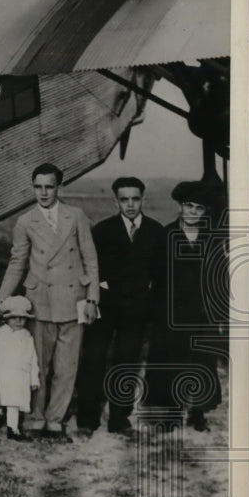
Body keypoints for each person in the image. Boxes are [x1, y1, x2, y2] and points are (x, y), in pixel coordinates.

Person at [0, 163, 99, 442]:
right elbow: (17, 262)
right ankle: (35, 418)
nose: (43, 192)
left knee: (66, 367)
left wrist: (92, 298)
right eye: (38, 187)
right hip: (40, 300)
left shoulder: (76, 216)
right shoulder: (26, 221)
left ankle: (55, 419)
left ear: (59, 187)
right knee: (37, 365)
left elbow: (90, 258)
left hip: (72, 298)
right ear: (33, 188)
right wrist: (2, 298)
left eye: (49, 186)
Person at [75, 176, 163, 437]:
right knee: (93, 359)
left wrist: (151, 304)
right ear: (116, 201)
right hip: (105, 303)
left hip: (137, 308)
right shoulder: (103, 230)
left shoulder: (155, 231)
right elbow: (89, 267)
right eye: (124, 199)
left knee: (127, 361)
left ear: (143, 199)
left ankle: (119, 420)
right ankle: (87, 420)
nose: (130, 204)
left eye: (135, 198)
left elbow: (159, 274)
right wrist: (92, 299)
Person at [143, 180, 227, 431]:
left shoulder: (212, 239)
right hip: (171, 313)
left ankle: (198, 412)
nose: (192, 212)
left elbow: (220, 276)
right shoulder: (165, 235)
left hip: (202, 314)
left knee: (202, 362)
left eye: (198, 208)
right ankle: (170, 413)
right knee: (171, 361)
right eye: (188, 206)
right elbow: (154, 278)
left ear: (205, 212)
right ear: (180, 206)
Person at [0, 295, 38, 444]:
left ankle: (13, 429)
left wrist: (33, 378)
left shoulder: (27, 336)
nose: (18, 321)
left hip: (19, 376)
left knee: (14, 404)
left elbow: (32, 359)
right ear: (6, 318)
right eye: (14, 318)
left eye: (22, 318)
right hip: (1, 376)